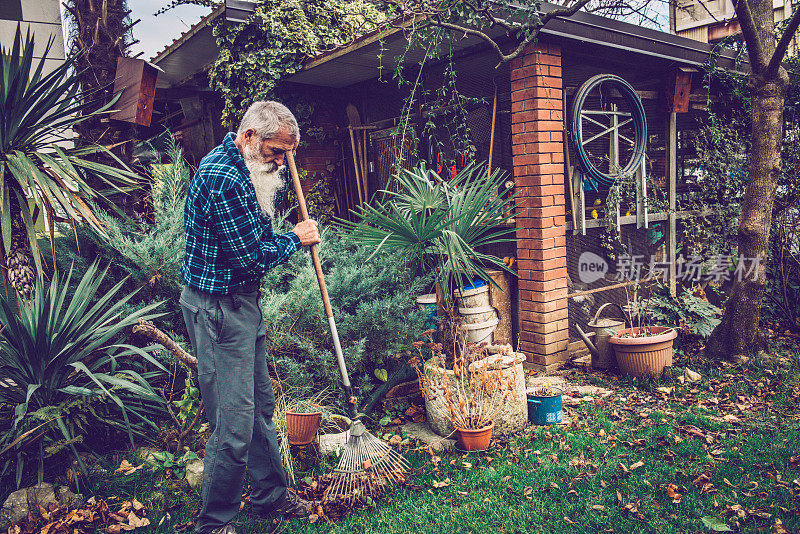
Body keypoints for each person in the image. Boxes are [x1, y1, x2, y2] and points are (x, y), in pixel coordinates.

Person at [179, 101, 320, 534]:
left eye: (286, 155)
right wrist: (296, 239)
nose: (281, 162)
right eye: (276, 152)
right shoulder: (224, 177)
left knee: (260, 408)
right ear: (249, 138)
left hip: (242, 304)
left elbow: (254, 239)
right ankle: (214, 523)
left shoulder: (247, 171)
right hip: (218, 310)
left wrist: (285, 235)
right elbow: (248, 258)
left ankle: (270, 496)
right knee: (233, 424)